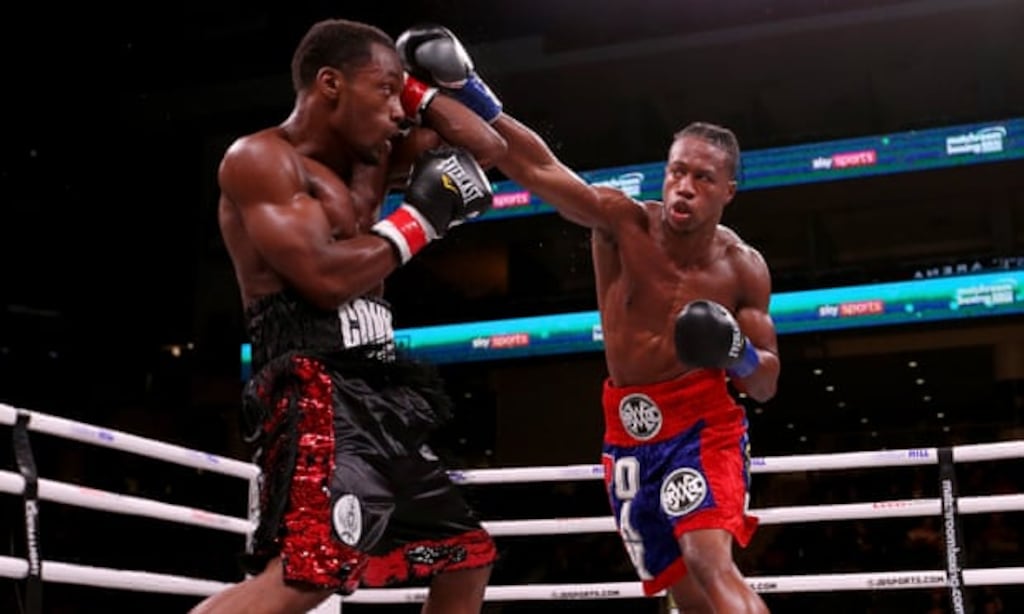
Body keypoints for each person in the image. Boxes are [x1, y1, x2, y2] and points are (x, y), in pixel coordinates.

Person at [398, 25, 780, 613]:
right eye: (677, 171)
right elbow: (539, 167)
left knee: (711, 563)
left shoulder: (744, 270)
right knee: (684, 594)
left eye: (703, 179)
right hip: (627, 432)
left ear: (729, 189)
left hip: (704, 424)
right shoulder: (621, 223)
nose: (684, 187)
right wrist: (468, 89)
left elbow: (765, 384)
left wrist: (737, 353)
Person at [189, 18, 507, 614]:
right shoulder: (259, 160)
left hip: (377, 388)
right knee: (306, 578)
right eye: (384, 91)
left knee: (465, 557)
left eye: (400, 95)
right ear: (331, 84)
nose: (397, 111)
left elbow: (488, 149)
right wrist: (421, 220)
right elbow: (324, 278)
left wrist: (423, 89)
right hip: (311, 381)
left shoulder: (373, 161)